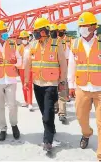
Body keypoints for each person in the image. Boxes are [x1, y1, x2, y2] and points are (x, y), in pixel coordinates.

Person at [68, 12, 101, 161]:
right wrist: (71, 85)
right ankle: (86, 133)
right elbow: (72, 65)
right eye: (80, 26)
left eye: (85, 26)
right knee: (80, 117)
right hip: (82, 88)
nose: (82, 28)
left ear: (93, 27)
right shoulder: (75, 43)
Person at [24, 17, 67, 152]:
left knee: (48, 112)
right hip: (37, 83)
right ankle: (51, 128)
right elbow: (27, 64)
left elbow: (63, 64)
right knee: (44, 111)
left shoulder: (56, 44)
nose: (35, 33)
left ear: (44, 31)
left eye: (37, 31)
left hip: (51, 83)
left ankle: (47, 140)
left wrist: (62, 81)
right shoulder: (32, 45)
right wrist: (26, 80)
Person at [50, 24, 67, 123]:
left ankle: (62, 113)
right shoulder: (47, 44)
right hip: (51, 74)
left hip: (61, 72)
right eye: (52, 31)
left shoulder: (63, 42)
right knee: (53, 93)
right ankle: (56, 107)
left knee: (61, 93)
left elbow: (67, 58)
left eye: (55, 31)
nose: (53, 33)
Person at [17, 30, 33, 111]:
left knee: (29, 85)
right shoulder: (19, 47)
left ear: (28, 38)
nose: (24, 39)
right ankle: (26, 101)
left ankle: (30, 103)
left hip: (29, 69)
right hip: (21, 68)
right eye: (22, 38)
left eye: (25, 38)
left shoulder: (31, 47)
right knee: (23, 85)